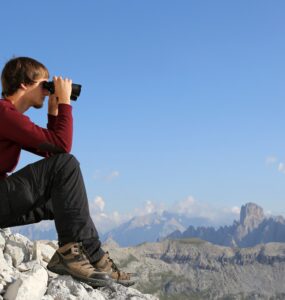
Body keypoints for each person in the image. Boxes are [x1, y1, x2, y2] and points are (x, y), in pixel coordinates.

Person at [0, 56, 136, 287]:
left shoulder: (10, 119)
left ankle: (93, 256)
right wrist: (64, 104)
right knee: (67, 165)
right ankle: (70, 256)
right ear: (24, 84)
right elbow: (63, 152)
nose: (46, 91)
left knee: (64, 200)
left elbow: (53, 152)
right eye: (45, 85)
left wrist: (53, 112)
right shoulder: (3, 113)